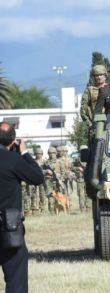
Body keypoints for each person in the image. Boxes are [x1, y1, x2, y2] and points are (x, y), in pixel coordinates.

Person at [0, 122, 44, 293]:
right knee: (16, 276)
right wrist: (24, 152)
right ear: (13, 140)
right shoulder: (14, 160)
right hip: (9, 227)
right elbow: (38, 177)